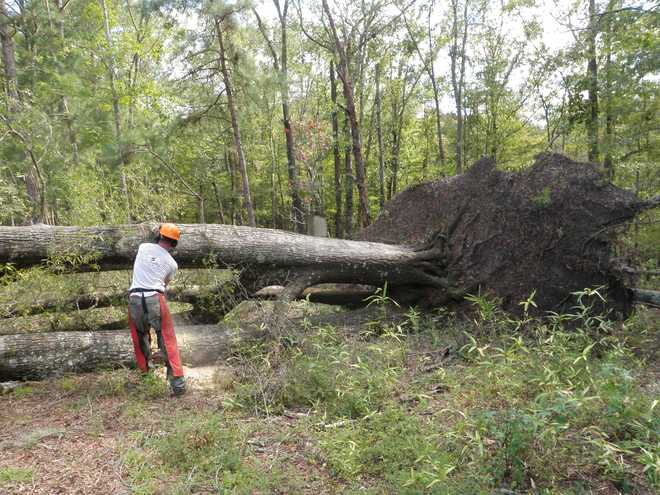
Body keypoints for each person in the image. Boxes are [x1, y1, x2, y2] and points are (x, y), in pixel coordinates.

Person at [127, 223, 186, 396]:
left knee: (140, 340)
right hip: (155, 298)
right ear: (174, 243)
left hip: (135, 299)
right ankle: (178, 385)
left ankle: (146, 378)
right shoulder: (172, 264)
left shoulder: (143, 247)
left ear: (159, 236)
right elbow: (165, 284)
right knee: (167, 340)